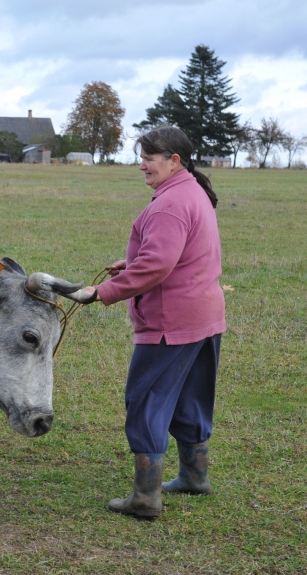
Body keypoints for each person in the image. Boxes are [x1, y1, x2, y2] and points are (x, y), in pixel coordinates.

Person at [79, 126, 226, 519]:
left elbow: (158, 265)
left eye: (149, 158)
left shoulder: (168, 204)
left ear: (174, 160)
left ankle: (145, 497)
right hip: (205, 316)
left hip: (170, 322)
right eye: (141, 156)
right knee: (190, 398)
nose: (141, 165)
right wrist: (132, 261)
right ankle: (196, 477)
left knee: (145, 400)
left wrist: (103, 292)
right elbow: (182, 249)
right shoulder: (193, 190)